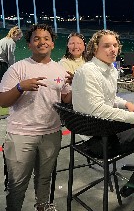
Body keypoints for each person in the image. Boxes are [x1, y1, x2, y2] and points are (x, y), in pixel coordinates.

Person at [72, 29, 134, 198]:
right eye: (106, 46)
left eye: (115, 45)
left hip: (103, 130)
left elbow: (108, 98)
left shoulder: (110, 69)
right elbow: (99, 109)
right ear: (95, 49)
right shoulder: (88, 72)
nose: (113, 49)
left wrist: (126, 103)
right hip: (97, 140)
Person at [0, 24, 72, 211]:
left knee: (45, 178)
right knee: (17, 184)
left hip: (51, 133)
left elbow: (66, 99)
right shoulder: (17, 69)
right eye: (37, 38)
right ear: (29, 44)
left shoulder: (60, 71)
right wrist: (19, 88)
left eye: (47, 38)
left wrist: (77, 86)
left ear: (53, 44)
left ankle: (43, 206)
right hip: (21, 135)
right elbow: (2, 102)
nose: (42, 42)